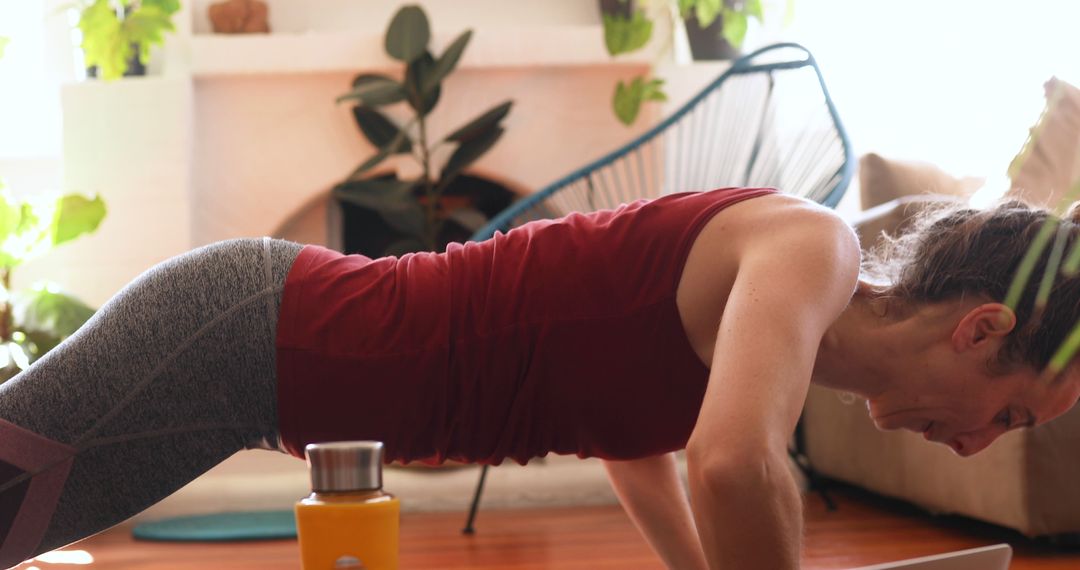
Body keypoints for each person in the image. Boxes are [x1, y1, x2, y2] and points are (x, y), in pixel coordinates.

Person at [0, 186, 1077, 570]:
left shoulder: (771, 315)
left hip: (266, 375)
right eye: (1013, 415)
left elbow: (637, 435)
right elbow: (735, 466)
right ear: (980, 330)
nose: (983, 444)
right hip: (250, 329)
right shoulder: (812, 251)